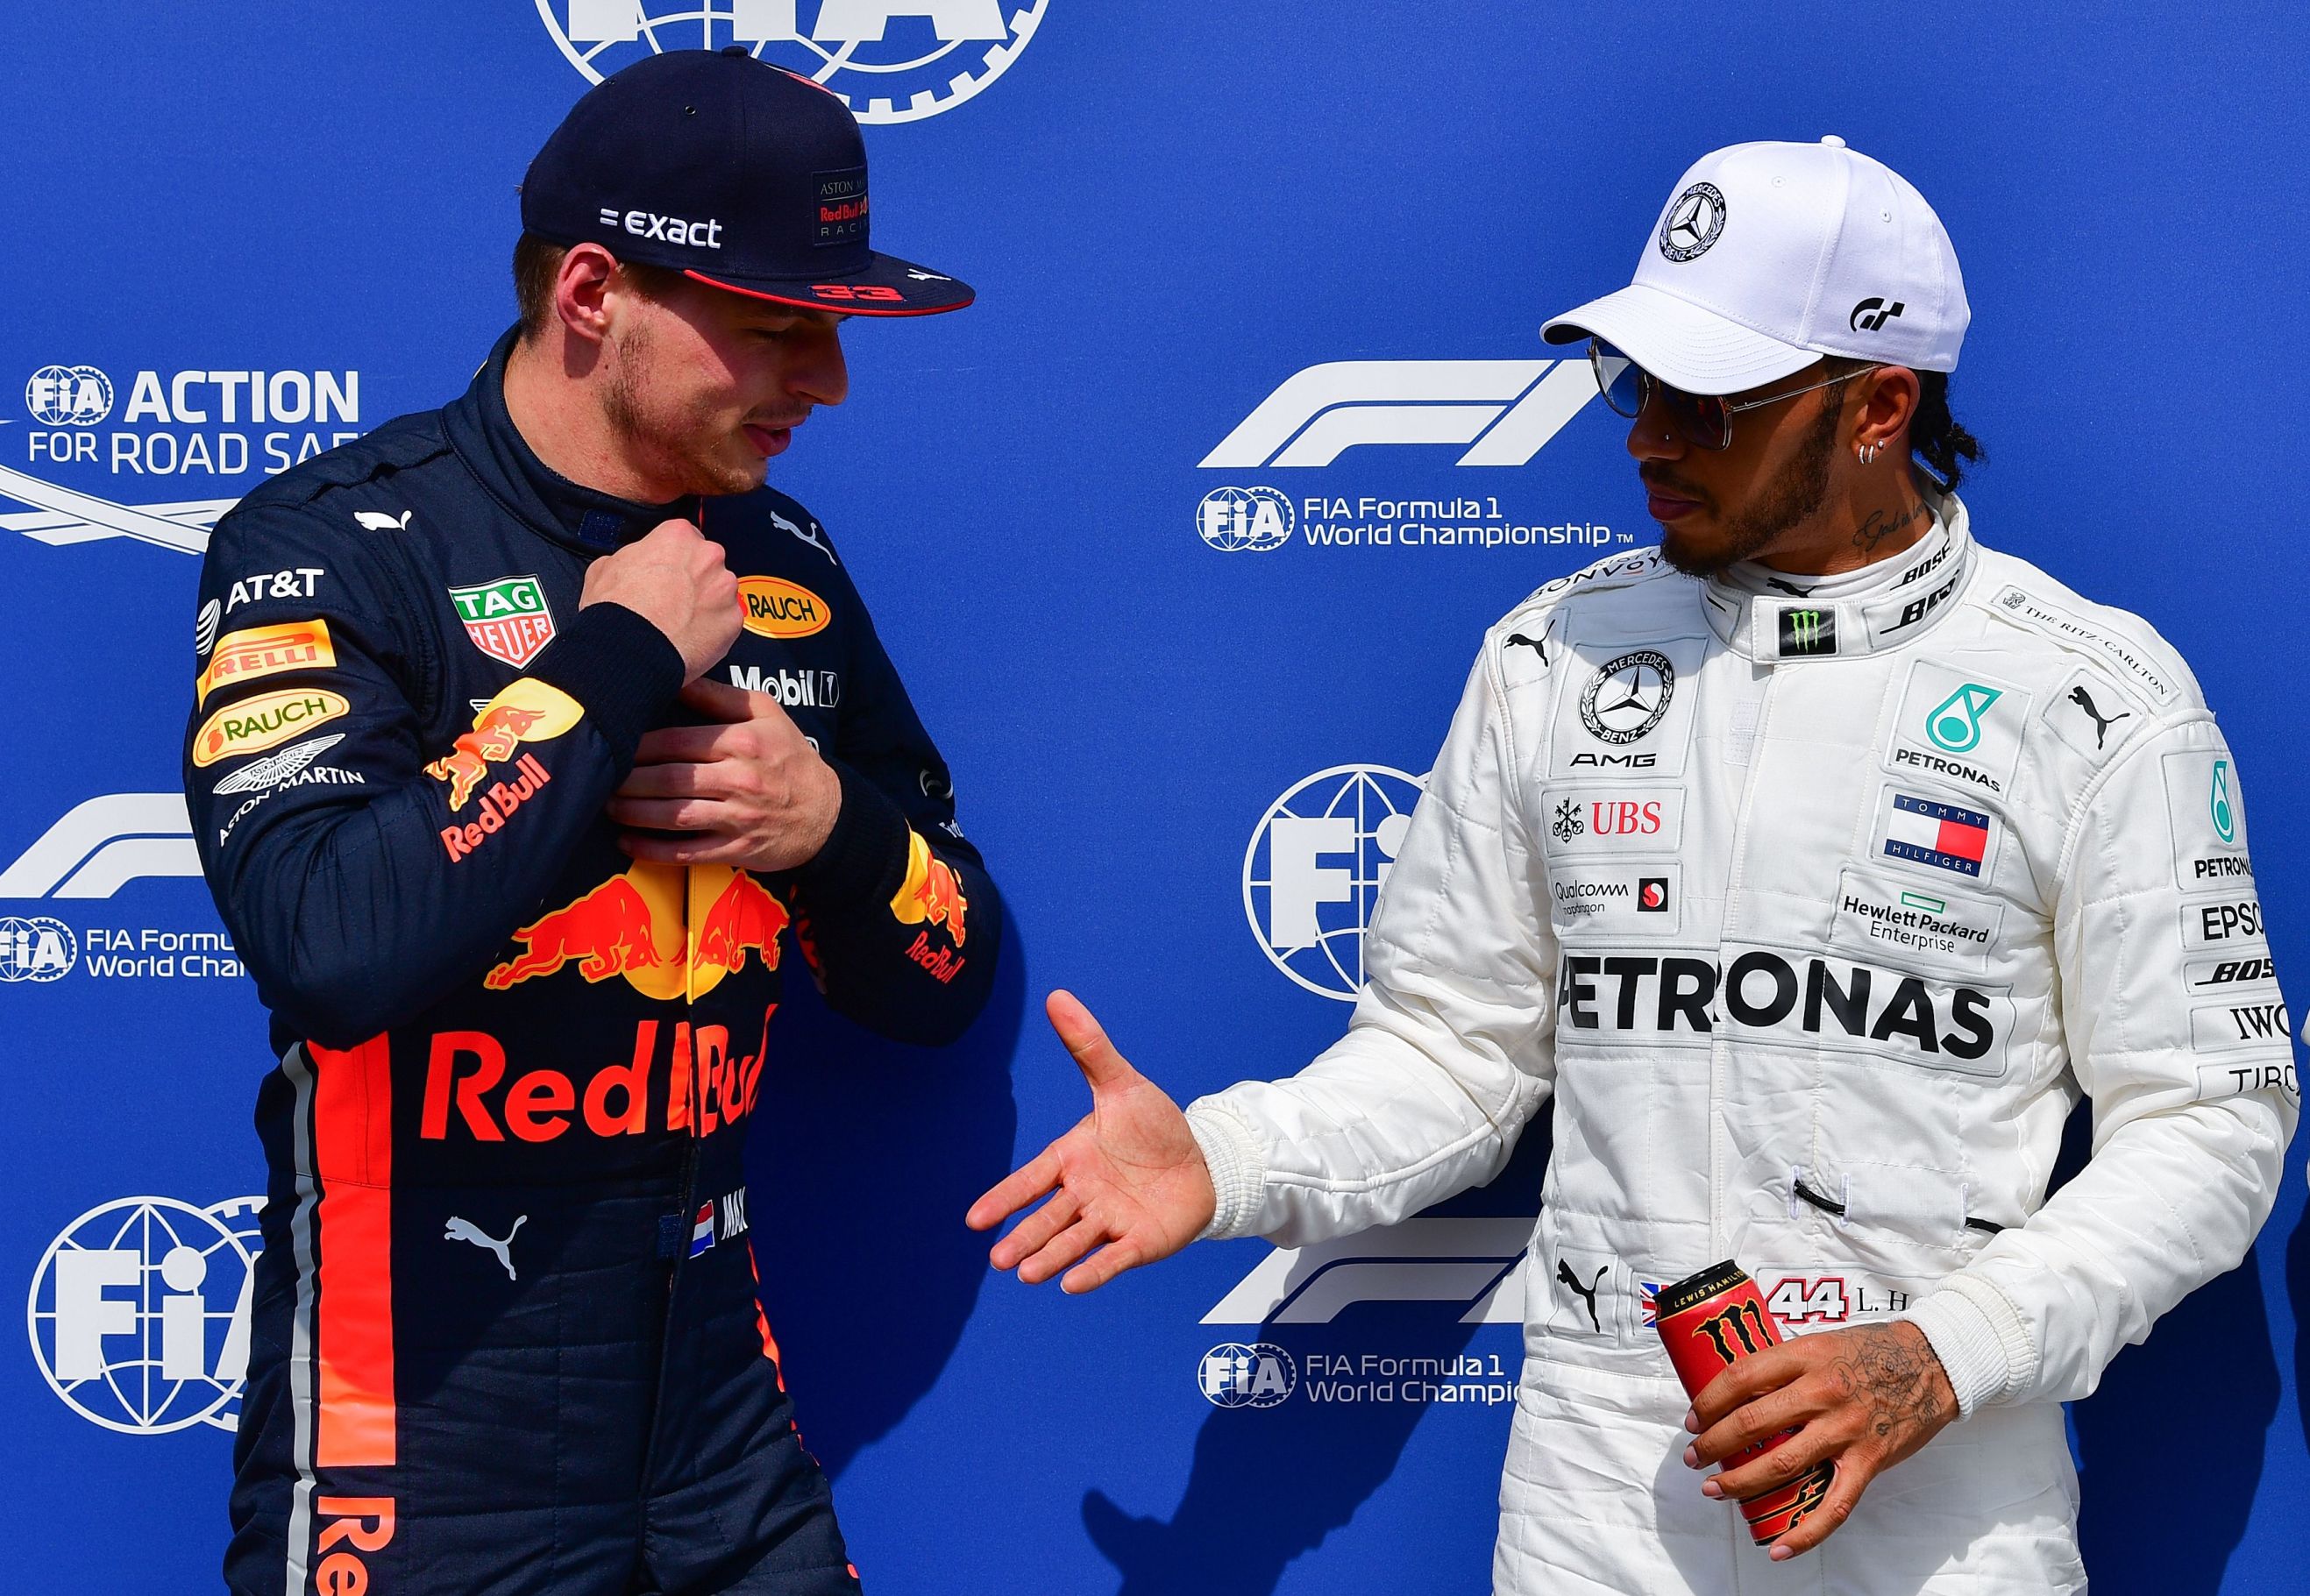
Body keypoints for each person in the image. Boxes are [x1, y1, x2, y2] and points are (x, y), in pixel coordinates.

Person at [970, 137, 2296, 1592]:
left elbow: (2211, 1121)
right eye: (1635, 381)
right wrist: (1227, 1155)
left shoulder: (2094, 696)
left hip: (1944, 1503)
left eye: (1709, 399)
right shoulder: (1555, 653)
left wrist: (1939, 1353)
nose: (1649, 434)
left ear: (1882, 404)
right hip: (1600, 1502)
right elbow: (1453, 1049)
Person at [188, 48, 999, 1596]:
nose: (825, 384)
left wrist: (827, 828)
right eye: (777, 331)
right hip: (417, 1426)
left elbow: (940, 977)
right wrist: (611, 661)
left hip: (722, 1429)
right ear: (589, 296)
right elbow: (328, 948)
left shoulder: (786, 558)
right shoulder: (333, 543)